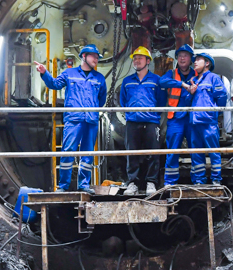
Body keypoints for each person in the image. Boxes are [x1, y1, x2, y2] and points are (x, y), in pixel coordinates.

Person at [35, 44, 106, 192]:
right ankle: (63, 186)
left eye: (97, 57)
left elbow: (101, 99)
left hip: (91, 120)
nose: (96, 59)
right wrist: (44, 73)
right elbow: (54, 84)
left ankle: (84, 185)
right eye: (94, 56)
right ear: (84, 56)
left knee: (88, 153)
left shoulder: (99, 78)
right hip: (73, 119)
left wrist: (92, 109)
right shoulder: (69, 73)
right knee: (68, 151)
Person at [118, 46, 165, 195]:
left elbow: (161, 101)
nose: (136, 61)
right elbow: (123, 101)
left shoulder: (156, 80)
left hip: (151, 122)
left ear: (148, 61)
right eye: (135, 58)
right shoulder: (127, 81)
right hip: (132, 122)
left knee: (153, 153)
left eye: (140, 58)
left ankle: (151, 182)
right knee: (132, 153)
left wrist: (152, 115)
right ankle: (133, 183)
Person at [157, 44, 196, 186]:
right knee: (172, 151)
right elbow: (162, 81)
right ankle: (170, 182)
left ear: (191, 59)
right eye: (180, 56)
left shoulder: (197, 74)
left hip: (193, 119)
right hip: (175, 119)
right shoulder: (172, 74)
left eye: (185, 56)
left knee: (196, 150)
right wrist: (182, 84)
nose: (182, 58)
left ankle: (198, 181)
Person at [187, 52, 228, 185]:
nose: (195, 62)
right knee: (196, 153)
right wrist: (191, 92)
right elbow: (187, 100)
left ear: (207, 63)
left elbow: (222, 97)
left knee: (213, 151)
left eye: (198, 59)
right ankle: (199, 180)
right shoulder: (193, 80)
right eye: (195, 60)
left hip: (208, 122)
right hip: (194, 123)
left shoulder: (213, 78)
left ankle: (216, 179)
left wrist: (214, 113)